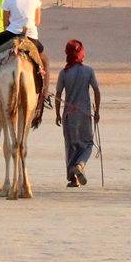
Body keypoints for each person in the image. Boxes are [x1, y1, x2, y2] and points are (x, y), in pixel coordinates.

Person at [55, 39, 101, 187]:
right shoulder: (88, 71)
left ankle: (73, 178)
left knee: (71, 146)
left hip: (69, 115)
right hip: (84, 114)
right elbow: (96, 90)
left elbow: (58, 94)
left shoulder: (64, 73)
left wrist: (57, 114)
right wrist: (97, 111)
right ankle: (80, 166)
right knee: (87, 144)